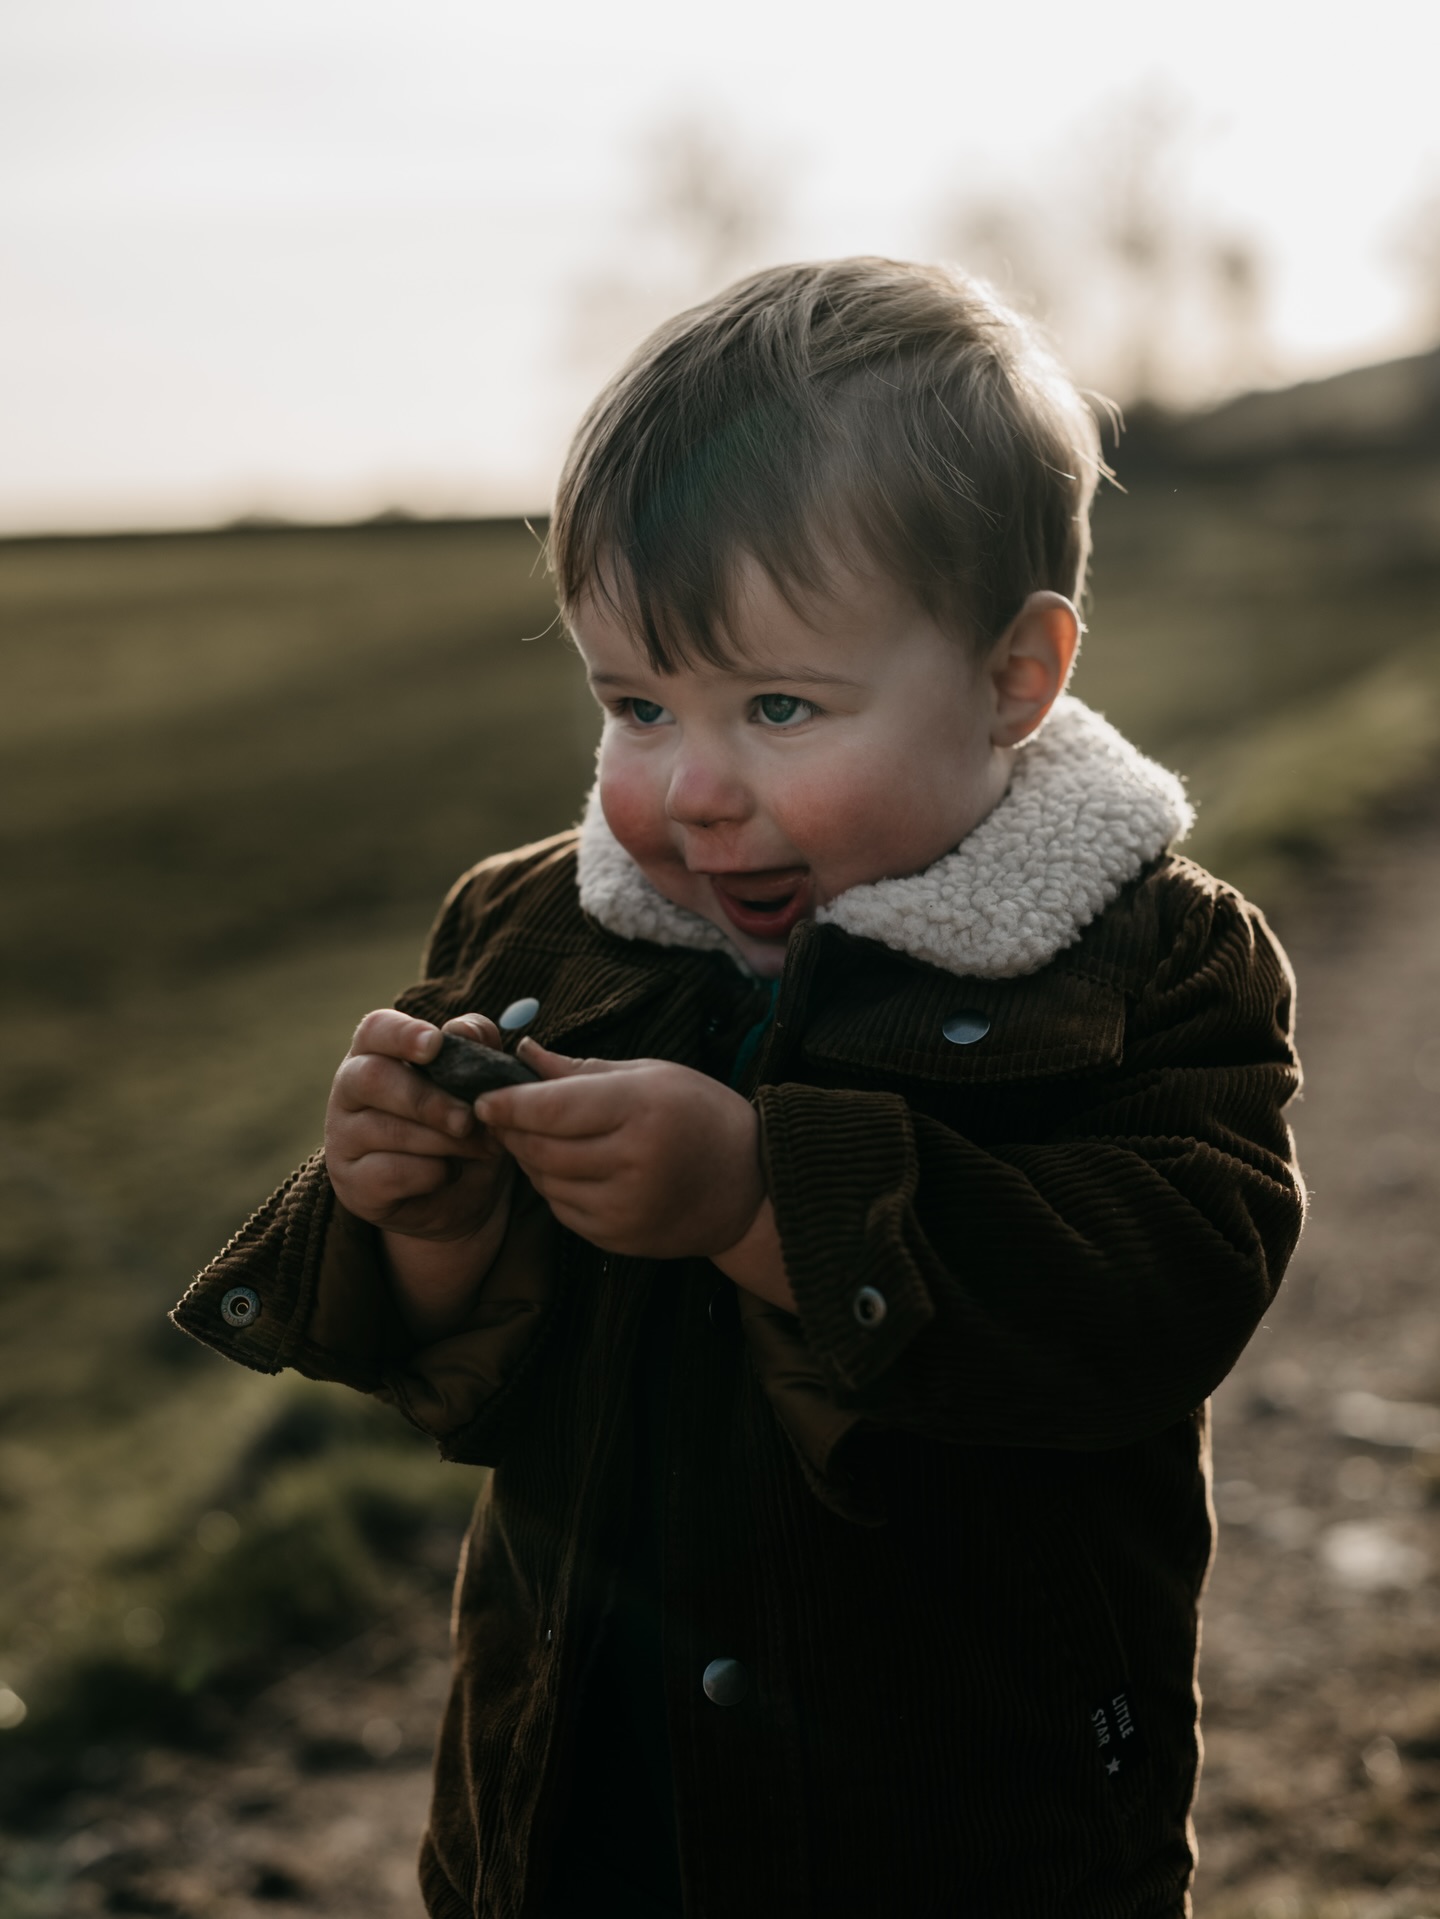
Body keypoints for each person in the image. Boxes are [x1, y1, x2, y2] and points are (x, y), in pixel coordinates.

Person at [173, 257, 1305, 1918]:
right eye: (636, 705)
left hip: (959, 1827)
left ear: (1016, 676)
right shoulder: (532, 929)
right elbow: (478, 1389)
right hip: (577, 1805)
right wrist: (424, 1219)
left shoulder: (1149, 964)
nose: (692, 790)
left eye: (779, 706)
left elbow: (1158, 1298)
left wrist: (765, 1200)